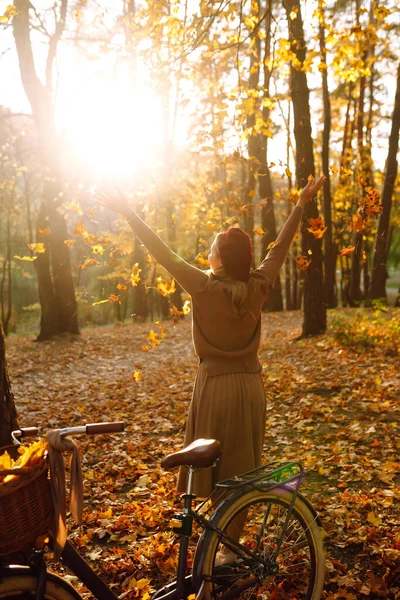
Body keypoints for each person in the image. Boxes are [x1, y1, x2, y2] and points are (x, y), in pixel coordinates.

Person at [95, 175, 326, 503]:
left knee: (214, 473)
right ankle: (226, 548)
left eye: (212, 250)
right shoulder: (259, 285)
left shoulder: (203, 287)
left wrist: (129, 213)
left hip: (215, 387)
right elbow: (281, 246)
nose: (208, 254)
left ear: (220, 260)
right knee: (241, 474)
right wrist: (301, 204)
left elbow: (162, 252)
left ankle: (217, 549)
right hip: (250, 388)